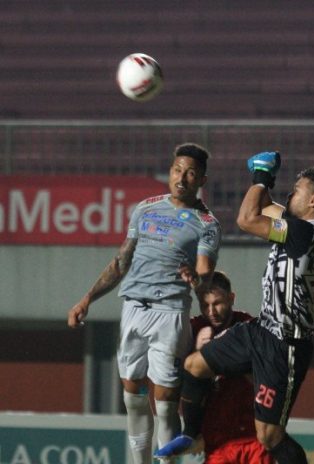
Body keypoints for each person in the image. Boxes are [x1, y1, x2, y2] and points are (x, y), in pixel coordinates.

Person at [155, 151, 314, 464]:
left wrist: (263, 176)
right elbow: (263, 206)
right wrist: (261, 183)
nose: (291, 193)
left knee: (268, 436)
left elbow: (247, 219)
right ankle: (191, 433)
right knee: (195, 366)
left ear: (313, 200)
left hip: (285, 345)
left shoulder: (305, 233)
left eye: (298, 190)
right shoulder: (300, 228)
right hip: (261, 329)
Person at [66, 143, 221, 464]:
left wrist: (196, 278)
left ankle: (166, 462)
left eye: (190, 172)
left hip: (169, 313)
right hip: (133, 308)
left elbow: (205, 273)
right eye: (178, 170)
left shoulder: (207, 223)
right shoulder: (146, 208)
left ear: (201, 180)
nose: (182, 177)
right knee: (133, 395)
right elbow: (121, 261)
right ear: (170, 171)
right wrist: (87, 298)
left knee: (164, 401)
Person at [190, 270, 273, 464]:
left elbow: (264, 376)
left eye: (217, 303)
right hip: (218, 440)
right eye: (205, 305)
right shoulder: (194, 329)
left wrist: (221, 358)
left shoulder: (248, 327)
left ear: (231, 298)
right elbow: (186, 381)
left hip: (254, 438)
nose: (211, 311)